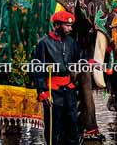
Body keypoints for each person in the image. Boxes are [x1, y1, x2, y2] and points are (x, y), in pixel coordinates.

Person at [33, 11, 80, 145]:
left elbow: (78, 61)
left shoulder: (71, 42)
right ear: (57, 25)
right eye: (67, 25)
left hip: (69, 90)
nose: (70, 28)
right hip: (53, 91)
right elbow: (38, 69)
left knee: (72, 124)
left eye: (71, 25)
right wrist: (43, 92)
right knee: (54, 127)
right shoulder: (44, 43)